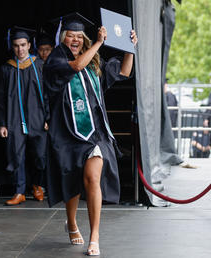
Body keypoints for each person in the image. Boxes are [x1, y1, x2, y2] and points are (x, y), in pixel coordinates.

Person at [43, 13, 137, 256]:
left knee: (92, 179)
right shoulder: (56, 59)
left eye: (78, 36)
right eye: (70, 36)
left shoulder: (94, 61)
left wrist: (130, 49)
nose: (74, 39)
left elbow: (124, 72)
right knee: (72, 181)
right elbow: (76, 66)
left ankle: (94, 236)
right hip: (68, 132)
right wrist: (98, 43)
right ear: (63, 38)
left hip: (95, 132)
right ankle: (72, 222)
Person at [0, 26, 48, 205]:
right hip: (14, 117)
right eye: (16, 46)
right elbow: (1, 97)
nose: (20, 49)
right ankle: (19, 191)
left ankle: (37, 185)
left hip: (38, 117)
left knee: (40, 155)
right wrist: (2, 123)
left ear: (29, 45)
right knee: (16, 154)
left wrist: (48, 118)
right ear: (12, 46)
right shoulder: (7, 68)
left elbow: (48, 93)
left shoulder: (39, 65)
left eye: (23, 45)